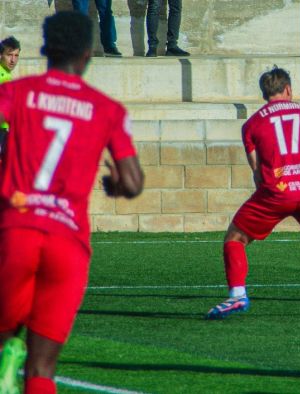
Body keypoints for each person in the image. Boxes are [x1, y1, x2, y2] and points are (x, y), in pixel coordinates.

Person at [0, 11, 144, 394]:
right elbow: (132, 182)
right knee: (43, 370)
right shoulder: (108, 109)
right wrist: (114, 184)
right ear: (87, 54)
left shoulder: (15, 91)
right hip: (68, 242)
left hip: (17, 228)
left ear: (45, 49)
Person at [205, 66, 300, 320]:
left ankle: (237, 295)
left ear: (265, 94)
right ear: (288, 89)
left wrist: (270, 196)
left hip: (276, 192)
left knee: (235, 238)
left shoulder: (252, 124)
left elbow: (256, 170)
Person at [0, 36, 20, 148]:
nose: (13, 60)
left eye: (16, 55)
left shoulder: (7, 73)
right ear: (0, 55)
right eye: (9, 55)